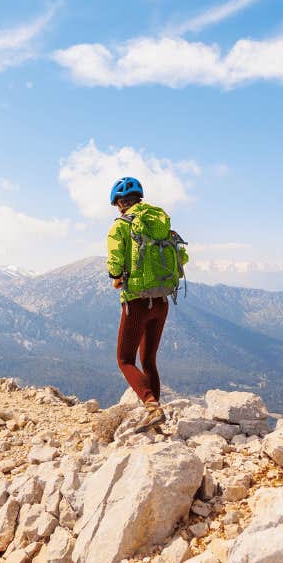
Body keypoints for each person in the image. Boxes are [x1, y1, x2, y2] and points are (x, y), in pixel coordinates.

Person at [105, 176, 189, 429]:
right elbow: (181, 256)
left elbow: (115, 262)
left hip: (137, 303)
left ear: (119, 203)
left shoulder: (121, 226)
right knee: (149, 359)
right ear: (139, 199)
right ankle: (157, 418)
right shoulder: (160, 222)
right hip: (161, 301)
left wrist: (117, 278)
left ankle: (151, 406)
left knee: (125, 360)